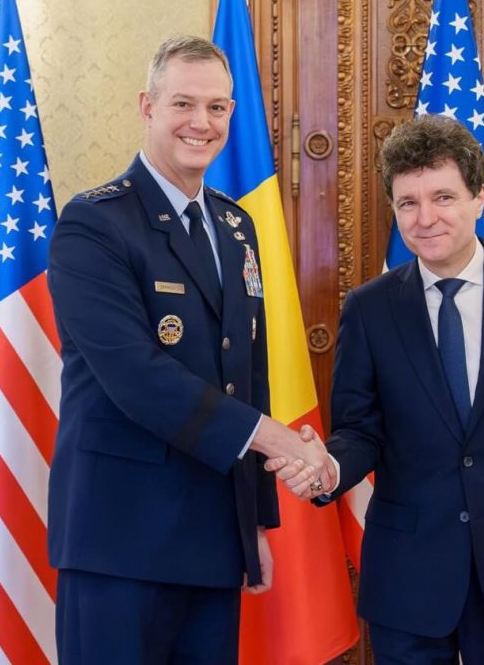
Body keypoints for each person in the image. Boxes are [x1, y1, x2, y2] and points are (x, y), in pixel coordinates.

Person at [272, 116, 484, 663]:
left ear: (479, 197)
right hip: (408, 577)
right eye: (408, 203)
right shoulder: (368, 309)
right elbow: (360, 431)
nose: (425, 218)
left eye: (443, 197)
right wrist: (330, 467)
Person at [46, 35, 332, 664]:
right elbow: (135, 375)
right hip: (120, 541)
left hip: (211, 538)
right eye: (183, 104)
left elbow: (247, 374)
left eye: (217, 108)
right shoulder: (94, 224)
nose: (201, 123)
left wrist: (254, 524)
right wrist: (278, 441)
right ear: (147, 106)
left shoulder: (235, 226)